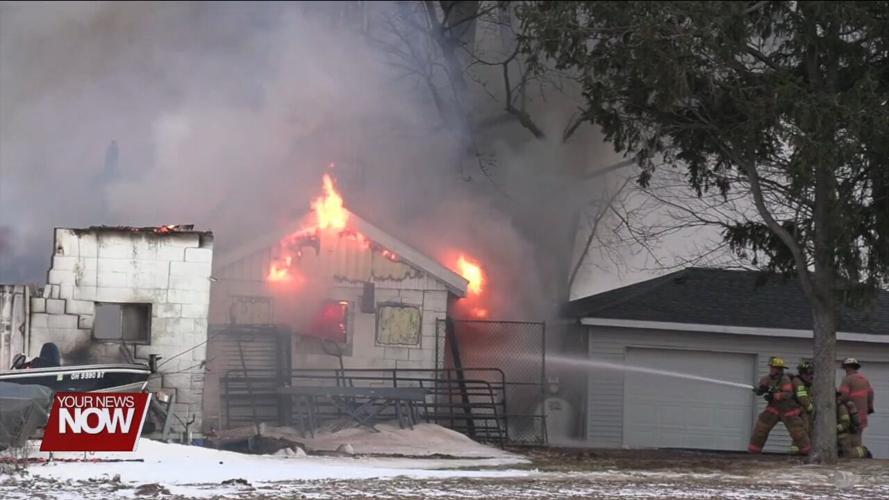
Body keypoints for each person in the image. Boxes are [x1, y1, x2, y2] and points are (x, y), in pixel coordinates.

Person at [748, 356, 811, 455]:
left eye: (774, 368)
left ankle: (807, 453)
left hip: (788, 410)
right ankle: (753, 452)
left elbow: (788, 394)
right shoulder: (766, 378)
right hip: (773, 409)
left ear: (779, 369)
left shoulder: (785, 379)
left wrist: (776, 395)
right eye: (771, 367)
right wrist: (760, 390)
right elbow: (761, 389)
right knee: (761, 428)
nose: (772, 369)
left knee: (798, 433)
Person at [839, 357, 875, 445]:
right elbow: (870, 394)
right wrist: (869, 407)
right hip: (862, 413)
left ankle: (852, 455)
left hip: (851, 413)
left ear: (847, 367)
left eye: (845, 368)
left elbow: (844, 397)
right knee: (858, 434)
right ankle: (859, 453)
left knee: (849, 437)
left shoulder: (847, 379)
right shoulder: (864, 380)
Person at [836, 391, 872, 459]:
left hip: (843, 435)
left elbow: (845, 424)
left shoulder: (841, 408)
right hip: (836, 435)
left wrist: (833, 429)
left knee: (846, 455)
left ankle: (863, 451)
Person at [790, 359, 815, 453]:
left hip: (805, 410)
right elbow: (802, 396)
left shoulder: (808, 383)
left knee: (810, 430)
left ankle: (806, 450)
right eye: (809, 373)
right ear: (802, 373)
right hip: (799, 410)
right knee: (802, 429)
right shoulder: (798, 382)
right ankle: (795, 449)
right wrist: (809, 406)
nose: (811, 376)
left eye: (812, 373)